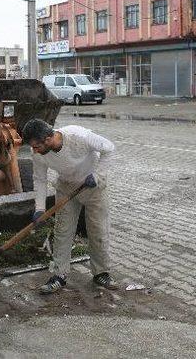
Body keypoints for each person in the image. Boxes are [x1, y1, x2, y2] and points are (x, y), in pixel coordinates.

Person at [22, 118, 118, 294]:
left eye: (36, 146)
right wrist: (39, 209)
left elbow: (109, 148)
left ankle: (101, 273)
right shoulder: (38, 153)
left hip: (93, 186)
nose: (34, 150)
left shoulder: (78, 136)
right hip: (66, 187)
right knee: (62, 231)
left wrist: (97, 175)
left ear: (48, 139)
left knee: (98, 230)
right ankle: (59, 275)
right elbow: (40, 180)